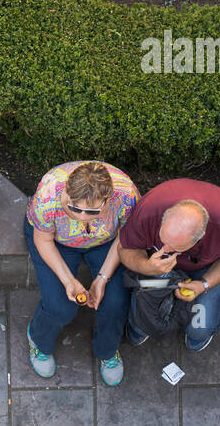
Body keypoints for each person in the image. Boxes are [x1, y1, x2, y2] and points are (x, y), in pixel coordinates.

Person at [24, 160, 138, 386]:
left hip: (107, 242)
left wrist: (103, 278)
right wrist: (68, 281)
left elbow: (125, 237)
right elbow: (43, 239)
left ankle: (107, 351)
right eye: (74, 208)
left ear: (108, 199)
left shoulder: (127, 195)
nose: (83, 217)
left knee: (115, 302)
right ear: (66, 193)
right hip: (57, 242)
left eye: (93, 211)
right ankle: (39, 340)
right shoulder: (48, 195)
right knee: (59, 307)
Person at [117, 177, 220, 352]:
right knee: (143, 314)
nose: (165, 249)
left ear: (201, 236)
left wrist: (205, 284)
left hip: (206, 270)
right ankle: (139, 327)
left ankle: (196, 335)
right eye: (163, 239)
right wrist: (146, 266)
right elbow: (125, 249)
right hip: (155, 266)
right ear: (164, 218)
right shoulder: (148, 211)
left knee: (200, 328)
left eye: (175, 247)